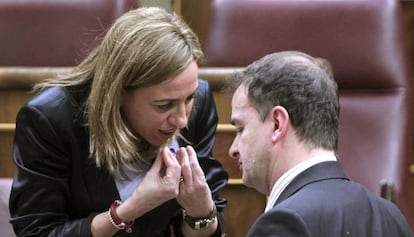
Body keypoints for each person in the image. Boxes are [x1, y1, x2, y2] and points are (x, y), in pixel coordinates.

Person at [9, 7, 228, 237]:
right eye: (164, 105)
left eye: (189, 99)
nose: (182, 120)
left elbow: (207, 228)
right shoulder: (50, 120)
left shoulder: (199, 102)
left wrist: (201, 211)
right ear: (119, 93)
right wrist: (130, 210)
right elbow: (37, 233)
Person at [225, 51, 413, 236]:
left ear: (277, 124)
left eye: (241, 129)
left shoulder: (284, 223)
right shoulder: (391, 216)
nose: (233, 150)